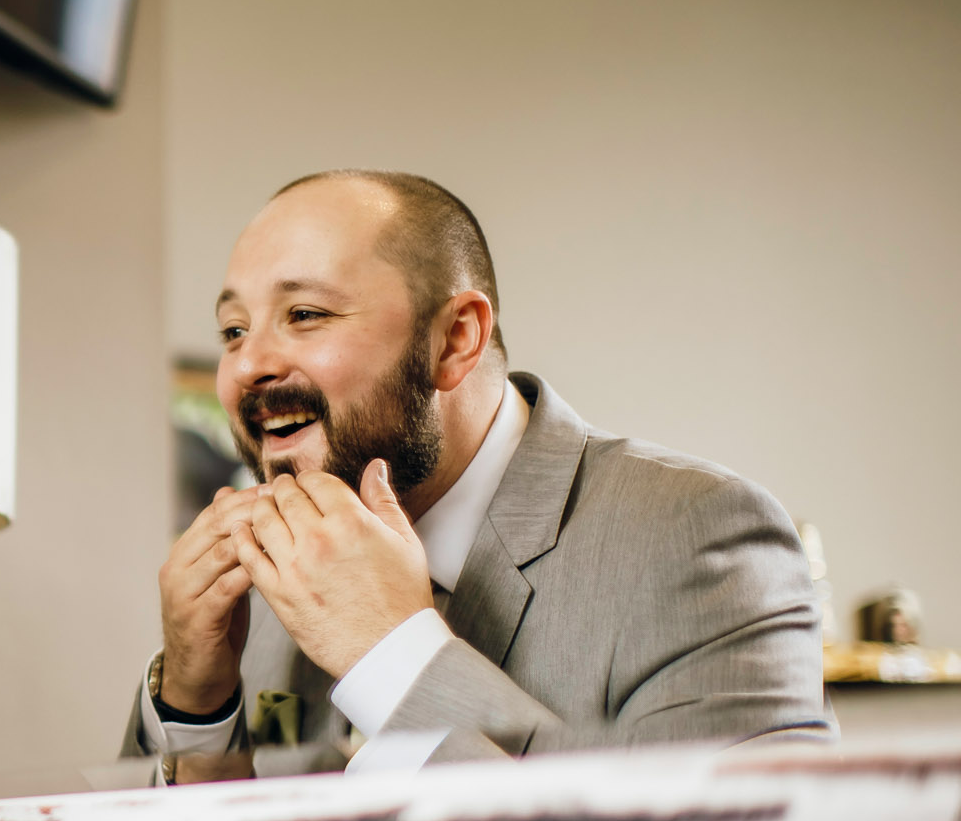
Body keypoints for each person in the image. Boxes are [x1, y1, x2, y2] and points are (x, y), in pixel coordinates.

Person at [127, 170, 834, 776]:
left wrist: (392, 658)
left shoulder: (696, 537)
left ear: (455, 339)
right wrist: (197, 713)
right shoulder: (259, 593)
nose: (248, 365)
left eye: (304, 314)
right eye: (233, 331)